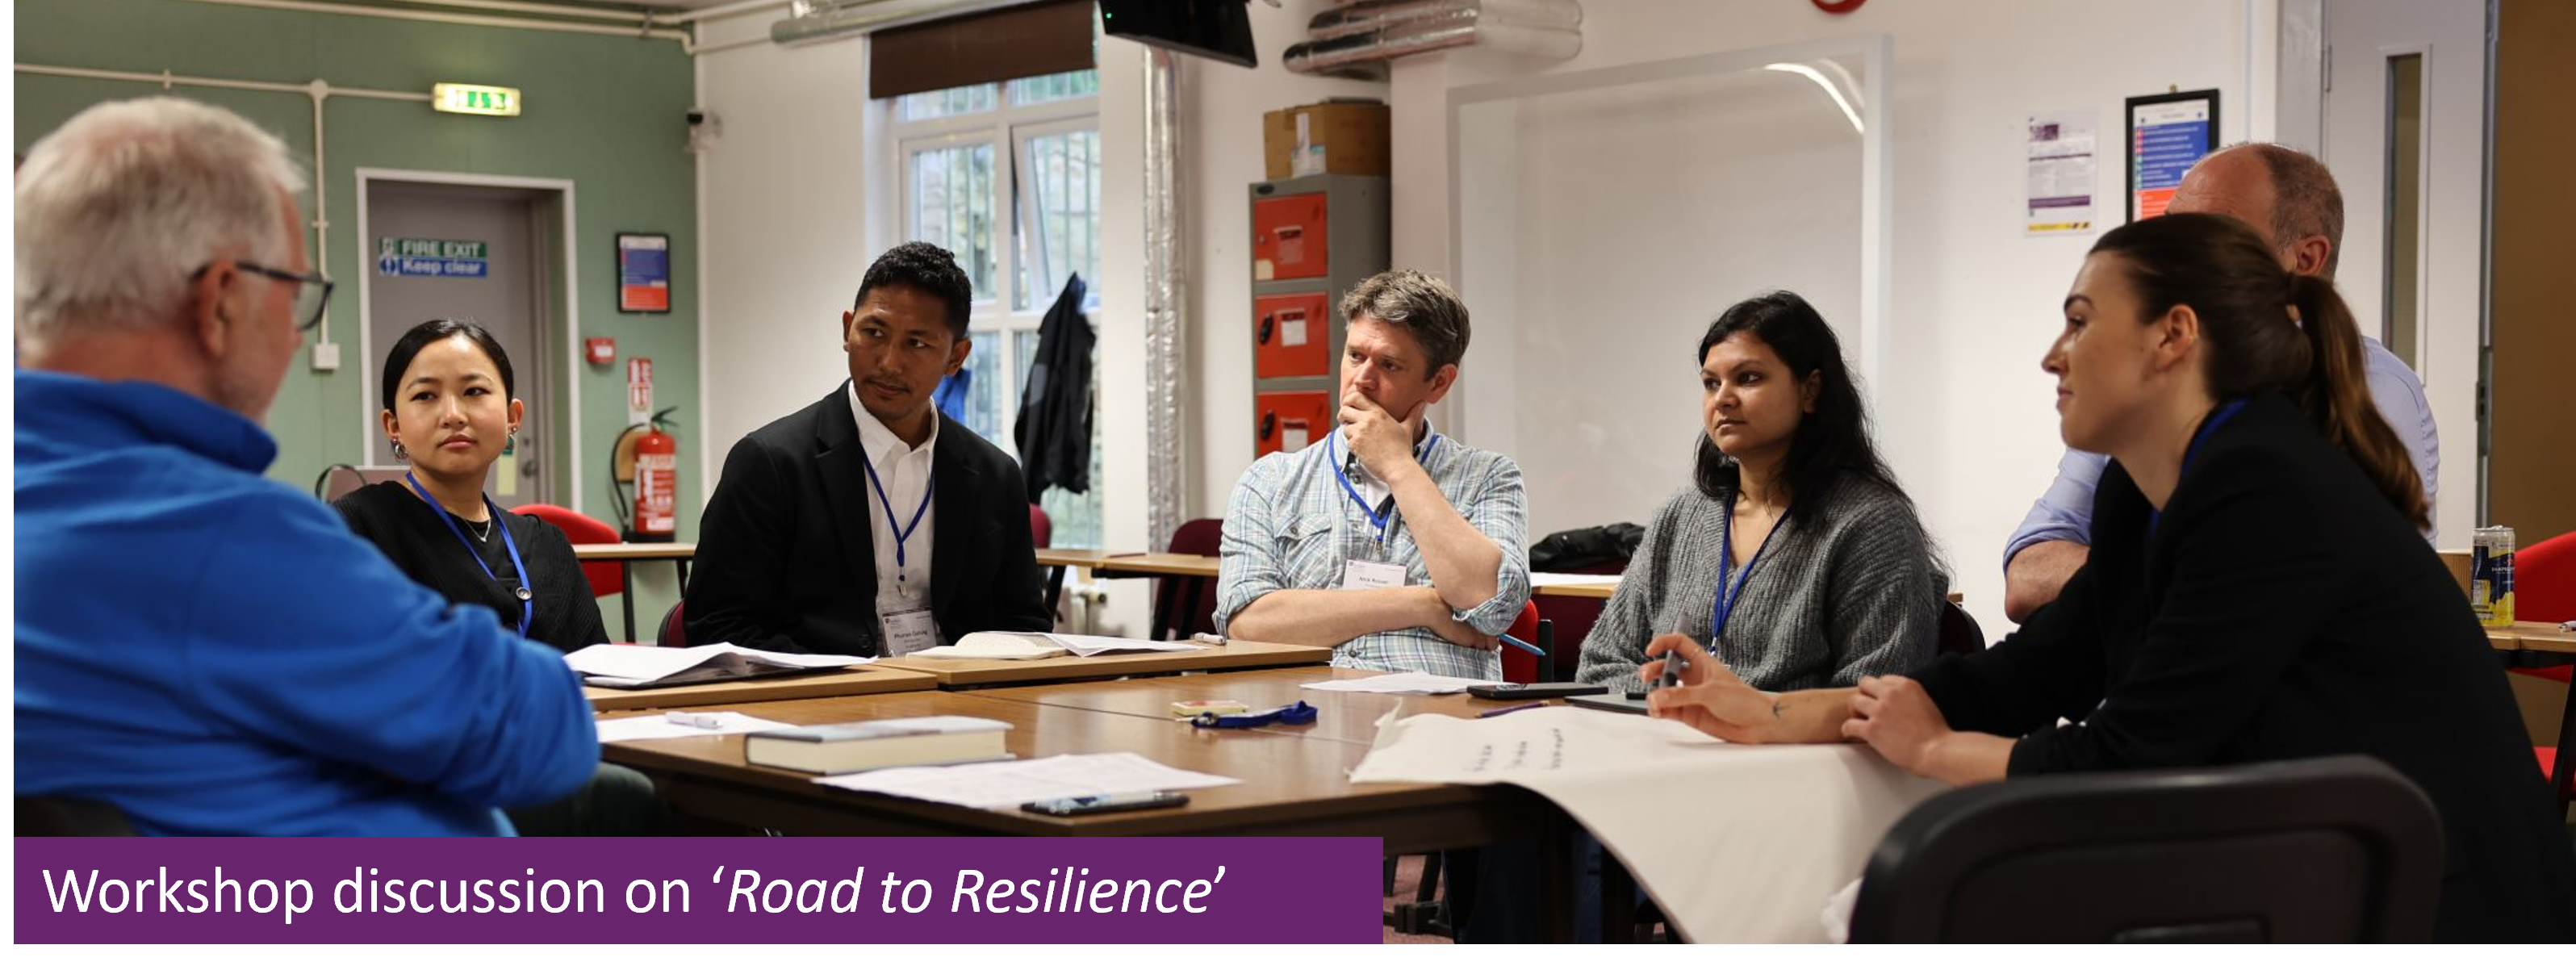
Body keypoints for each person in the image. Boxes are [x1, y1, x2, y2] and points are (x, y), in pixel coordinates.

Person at [1648, 213, 2576, 942]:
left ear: (2173, 336)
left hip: (2431, 899)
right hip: (2303, 874)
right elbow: (2028, 675)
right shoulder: (2149, 493)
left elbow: (2139, 753)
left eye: (2081, 322)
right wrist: (1771, 712)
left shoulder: (2264, 482)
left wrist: (1935, 750)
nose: (2054, 356)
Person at [15, 97, 594, 835]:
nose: (294, 340)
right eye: (295, 297)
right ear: (222, 299)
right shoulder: (207, 535)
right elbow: (538, 737)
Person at [2002, 143, 2440, 622]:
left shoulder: (2365, 390)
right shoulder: (2147, 394)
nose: (2170, 257)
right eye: (2170, 228)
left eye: (2206, 233)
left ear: (2305, 258)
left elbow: (2274, 597)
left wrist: (2145, 571)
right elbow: (2029, 576)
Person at [688, 241, 1048, 654]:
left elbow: (1024, 627)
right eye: (873, 333)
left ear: (956, 357)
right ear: (847, 329)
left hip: (959, 701)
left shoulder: (995, 476)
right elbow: (717, 624)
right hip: (820, 703)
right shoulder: (770, 464)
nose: (889, 363)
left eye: (917, 344)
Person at [1575, 291, 1942, 694]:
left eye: (1748, 378)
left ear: (1811, 391)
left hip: (1797, 754)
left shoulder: (1870, 524)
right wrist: (1684, 706)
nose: (1723, 399)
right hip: (1668, 746)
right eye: (1711, 383)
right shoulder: (1680, 517)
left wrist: (1745, 714)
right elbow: (1600, 665)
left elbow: (1875, 697)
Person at [1215, 270, 1530, 679]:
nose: (1362, 378)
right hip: (1307, 715)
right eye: (1355, 356)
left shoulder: (1489, 476)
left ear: (1438, 382)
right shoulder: (1269, 481)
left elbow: (1491, 604)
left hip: (1437, 724)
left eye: (1389, 365)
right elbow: (1248, 626)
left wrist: (1398, 466)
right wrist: (1423, 606)